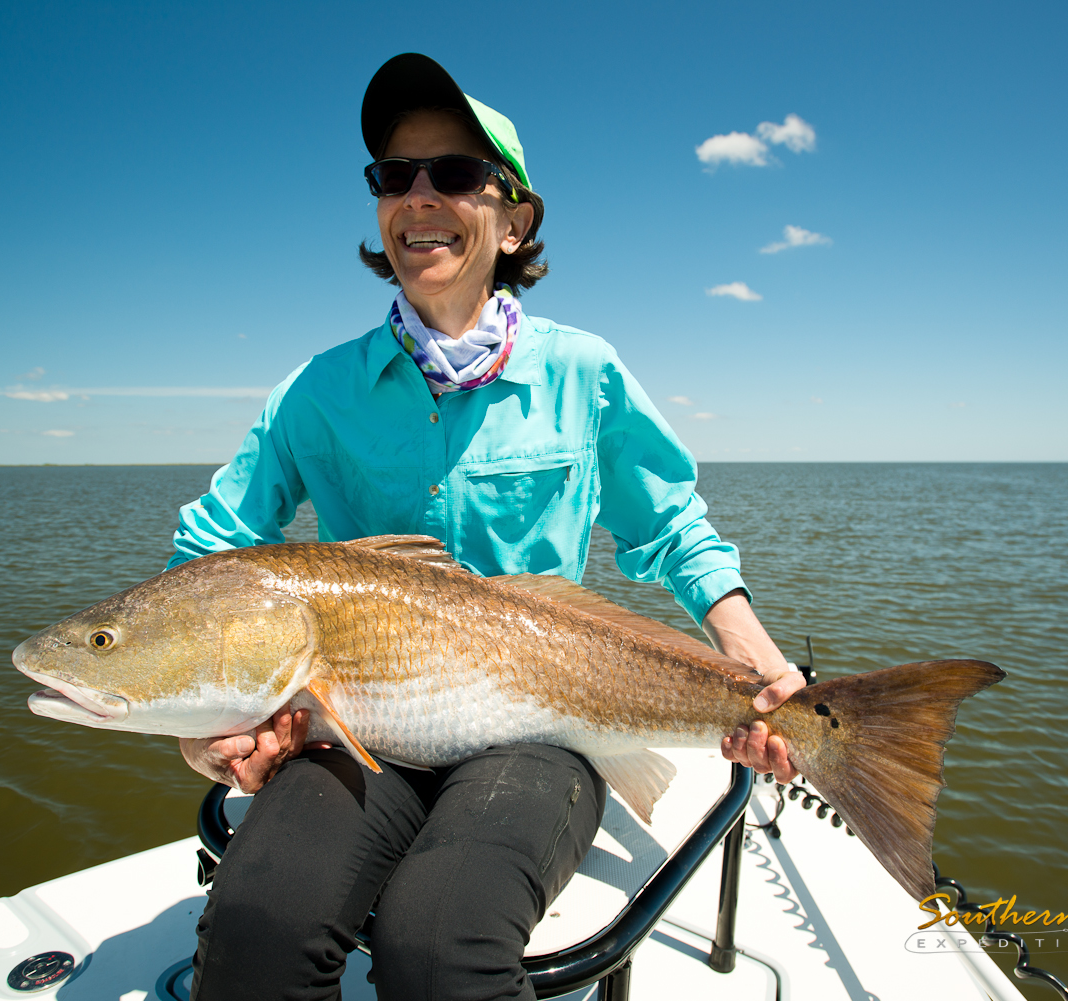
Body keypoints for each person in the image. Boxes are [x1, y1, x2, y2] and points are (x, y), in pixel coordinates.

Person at [169, 53, 804, 1001]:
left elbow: (673, 528)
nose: (419, 197)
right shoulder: (315, 390)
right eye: (394, 176)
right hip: (359, 726)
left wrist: (762, 675)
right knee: (253, 933)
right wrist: (204, 727)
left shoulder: (585, 373)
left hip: (542, 725)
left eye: (456, 175)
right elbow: (210, 560)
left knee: (439, 949)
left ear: (515, 220)